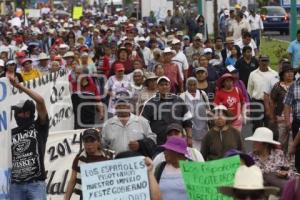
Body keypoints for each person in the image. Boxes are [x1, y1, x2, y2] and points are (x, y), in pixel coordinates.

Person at [8, 74, 49, 200]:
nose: (20, 114)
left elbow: (40, 101)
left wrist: (19, 86)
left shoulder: (39, 126)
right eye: (18, 112)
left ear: (29, 113)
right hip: (15, 185)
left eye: (23, 111)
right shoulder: (10, 133)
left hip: (36, 184)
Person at [141, 76, 193, 145]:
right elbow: (143, 123)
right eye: (161, 85)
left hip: (178, 143)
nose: (164, 87)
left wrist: (189, 137)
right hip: (158, 144)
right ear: (157, 87)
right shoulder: (150, 103)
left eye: (166, 84)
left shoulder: (179, 100)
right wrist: (150, 140)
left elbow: (187, 120)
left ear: (170, 86)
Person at [64, 129, 113, 200]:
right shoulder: (79, 158)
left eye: (92, 140)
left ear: (99, 142)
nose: (89, 144)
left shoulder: (109, 157)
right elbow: (72, 181)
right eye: (86, 141)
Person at [245, 127, 293, 191]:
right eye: (254, 141)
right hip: (257, 192)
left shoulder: (278, 154)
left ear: (266, 144)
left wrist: (286, 174)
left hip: (276, 191)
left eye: (256, 142)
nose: (253, 143)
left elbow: (290, 171)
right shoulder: (249, 157)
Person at [248, 55, 278, 131]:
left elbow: (277, 89)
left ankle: (267, 142)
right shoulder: (253, 74)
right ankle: (257, 142)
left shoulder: (274, 74)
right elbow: (250, 90)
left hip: (270, 102)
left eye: (266, 61)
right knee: (257, 124)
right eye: (262, 60)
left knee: (269, 124)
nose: (264, 63)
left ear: (268, 62)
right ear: (259, 61)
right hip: (257, 102)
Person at [270, 64, 295, 153]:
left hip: (296, 117)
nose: (290, 74)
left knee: (294, 143)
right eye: (287, 72)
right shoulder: (277, 86)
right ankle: (281, 162)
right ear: (282, 74)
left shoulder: (297, 86)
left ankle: (293, 163)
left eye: (291, 72)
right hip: (281, 117)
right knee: (281, 142)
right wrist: (272, 116)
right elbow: (272, 101)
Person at [180, 77, 209, 149]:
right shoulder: (182, 96)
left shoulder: (203, 94)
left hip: (203, 127)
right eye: (190, 85)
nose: (192, 86)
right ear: (186, 85)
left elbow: (208, 108)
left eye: (194, 84)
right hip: (190, 130)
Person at [283, 73, 300, 172]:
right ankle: (298, 170)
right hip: (297, 121)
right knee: (297, 147)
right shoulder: (294, 85)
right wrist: (287, 121)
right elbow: (287, 104)